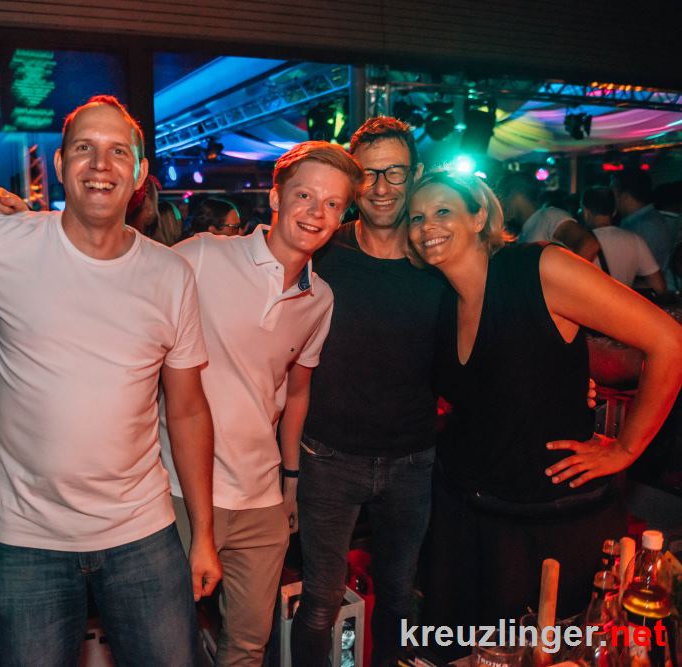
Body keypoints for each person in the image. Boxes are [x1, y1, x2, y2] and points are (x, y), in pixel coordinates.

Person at [0, 94, 220, 667]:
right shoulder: (0, 243)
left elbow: (189, 409)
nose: (100, 164)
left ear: (139, 173)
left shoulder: (170, 275)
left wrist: (205, 533)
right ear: (60, 163)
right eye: (85, 148)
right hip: (25, 540)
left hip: (142, 532)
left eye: (118, 152)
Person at [409, 169, 682, 641]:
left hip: (549, 525)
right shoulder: (442, 298)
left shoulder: (539, 268)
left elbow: (669, 343)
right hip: (465, 518)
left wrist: (626, 448)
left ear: (479, 217)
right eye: (416, 218)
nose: (426, 225)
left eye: (442, 211)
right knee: (458, 649)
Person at [159, 141, 360, 666]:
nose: (316, 212)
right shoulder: (204, 255)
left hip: (262, 500)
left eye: (333, 204)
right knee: (167, 646)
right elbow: (127, 284)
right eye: (305, 195)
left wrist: (290, 483)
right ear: (276, 197)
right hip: (178, 491)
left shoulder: (320, 299)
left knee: (249, 647)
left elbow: (296, 391)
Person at [290, 116, 445, 667]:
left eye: (394, 173)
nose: (381, 188)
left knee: (400, 597)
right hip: (328, 457)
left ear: (416, 175)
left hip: (413, 460)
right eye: (369, 174)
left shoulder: (437, 260)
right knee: (319, 602)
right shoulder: (323, 250)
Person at [579, 186, 665, 294]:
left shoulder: (580, 242)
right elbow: (659, 286)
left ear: (586, 212)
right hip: (620, 303)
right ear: (614, 211)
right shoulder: (635, 240)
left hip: (589, 303)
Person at [497, 171, 599, 261]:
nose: (500, 204)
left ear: (515, 193)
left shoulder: (549, 216)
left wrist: (565, 277)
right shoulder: (525, 231)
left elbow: (589, 245)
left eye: (501, 197)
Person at [613, 168, 678, 273]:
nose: (611, 198)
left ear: (625, 196)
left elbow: (643, 271)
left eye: (613, 192)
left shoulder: (648, 226)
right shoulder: (638, 222)